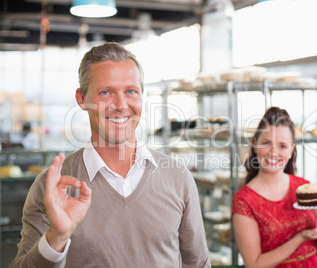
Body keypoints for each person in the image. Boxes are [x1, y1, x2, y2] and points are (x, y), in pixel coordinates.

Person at [10, 42, 210, 268]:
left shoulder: (178, 177)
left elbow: (198, 264)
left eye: (131, 91)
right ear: (82, 99)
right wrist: (56, 237)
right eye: (106, 92)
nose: (121, 105)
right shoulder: (52, 187)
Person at [232, 107, 317, 268]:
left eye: (282, 146)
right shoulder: (244, 200)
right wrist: (301, 237)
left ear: (292, 149)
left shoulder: (304, 188)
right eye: (266, 143)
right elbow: (254, 264)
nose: (273, 152)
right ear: (255, 143)